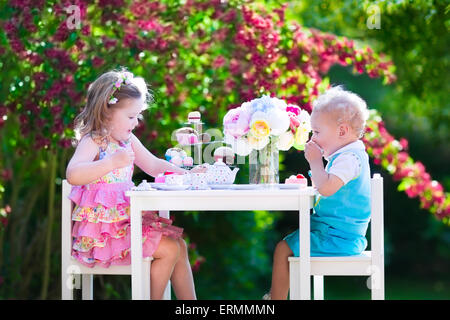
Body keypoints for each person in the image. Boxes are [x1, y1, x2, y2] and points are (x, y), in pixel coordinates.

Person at [66, 67, 197, 300]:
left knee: (180, 246)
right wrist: (112, 163)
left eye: (138, 116)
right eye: (130, 116)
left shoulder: (128, 141)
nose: (136, 122)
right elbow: (73, 174)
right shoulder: (94, 141)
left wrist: (190, 174)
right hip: (103, 236)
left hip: (125, 225)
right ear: (107, 113)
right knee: (169, 249)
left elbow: (154, 166)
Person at [265, 86, 371, 300]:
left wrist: (315, 161)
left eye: (317, 132)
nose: (313, 138)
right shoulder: (346, 156)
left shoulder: (349, 159)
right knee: (285, 246)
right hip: (333, 232)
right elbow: (326, 187)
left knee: (283, 249)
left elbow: (327, 187)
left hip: (339, 238)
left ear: (341, 131)